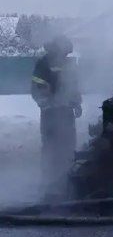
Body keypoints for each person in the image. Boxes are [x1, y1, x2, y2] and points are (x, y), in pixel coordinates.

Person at [31, 35, 82, 187]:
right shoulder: (43, 64)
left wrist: (77, 103)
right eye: (65, 51)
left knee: (68, 147)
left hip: (66, 114)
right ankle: (48, 183)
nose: (66, 55)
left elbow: (73, 87)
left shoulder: (67, 64)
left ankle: (67, 181)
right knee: (51, 148)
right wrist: (48, 104)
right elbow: (36, 89)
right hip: (50, 114)